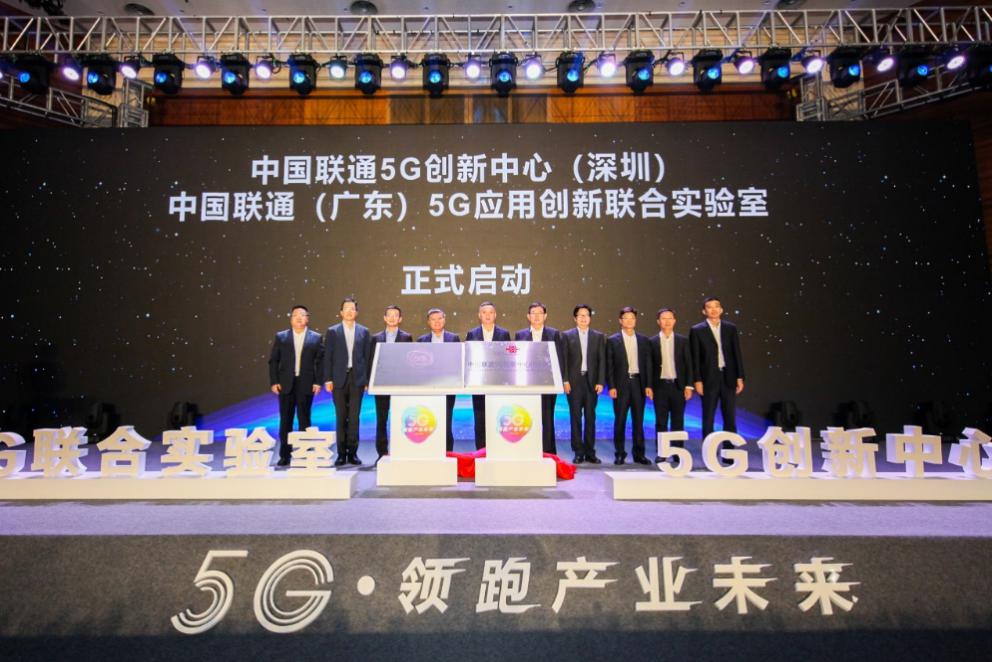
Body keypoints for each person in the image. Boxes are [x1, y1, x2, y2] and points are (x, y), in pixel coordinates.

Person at [268, 305, 324, 467]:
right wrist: (274, 381)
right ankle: (285, 455)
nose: (299, 318)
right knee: (286, 420)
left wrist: (318, 382)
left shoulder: (316, 338)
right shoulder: (281, 337)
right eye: (295, 315)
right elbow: (274, 361)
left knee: (304, 419)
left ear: (307, 318)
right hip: (286, 384)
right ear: (291, 318)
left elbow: (320, 362)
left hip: (306, 383)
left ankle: (305, 453)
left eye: (302, 315)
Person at [323, 297, 372, 466]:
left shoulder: (364, 332)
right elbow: (327, 357)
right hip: (338, 379)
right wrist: (328, 379)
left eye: (353, 308)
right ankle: (341, 453)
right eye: (346, 308)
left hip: (357, 379)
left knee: (354, 417)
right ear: (341, 312)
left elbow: (367, 358)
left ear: (356, 312)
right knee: (341, 416)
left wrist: (367, 380)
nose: (350, 311)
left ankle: (353, 453)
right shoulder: (333, 331)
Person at [689, 296, 745, 438]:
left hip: (728, 377)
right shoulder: (697, 330)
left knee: (729, 415)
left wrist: (740, 377)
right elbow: (695, 358)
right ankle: (708, 447)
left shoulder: (730, 328)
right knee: (708, 415)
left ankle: (729, 448)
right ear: (704, 311)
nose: (713, 310)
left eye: (716, 306)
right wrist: (697, 380)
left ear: (721, 309)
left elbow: (737, 353)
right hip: (708, 378)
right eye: (709, 307)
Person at [606, 306, 654, 465]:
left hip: (638, 383)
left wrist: (648, 385)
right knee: (620, 420)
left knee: (638, 421)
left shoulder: (644, 340)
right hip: (621, 385)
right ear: (620, 321)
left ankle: (639, 454)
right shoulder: (612, 340)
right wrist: (611, 386)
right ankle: (619, 453)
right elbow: (610, 365)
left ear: (635, 320)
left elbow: (648, 364)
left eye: (632, 318)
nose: (629, 321)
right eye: (626, 318)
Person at [514, 302, 563, 455]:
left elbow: (559, 358)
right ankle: (528, 450)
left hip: (548, 384)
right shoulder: (520, 335)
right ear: (528, 316)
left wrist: (560, 381)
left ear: (545, 316)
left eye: (540, 313)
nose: (536, 316)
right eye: (533, 313)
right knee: (528, 417)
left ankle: (549, 452)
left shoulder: (554, 334)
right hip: (527, 384)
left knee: (547, 418)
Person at [560, 304, 606, 464]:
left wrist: (601, 381)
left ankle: (590, 452)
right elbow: (564, 360)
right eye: (580, 315)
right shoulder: (567, 336)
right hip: (574, 382)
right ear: (575, 318)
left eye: (586, 315)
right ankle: (578, 452)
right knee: (576, 418)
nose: (583, 318)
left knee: (591, 417)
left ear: (590, 318)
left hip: (592, 382)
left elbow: (602, 361)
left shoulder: (598, 337)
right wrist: (565, 380)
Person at [649, 307, 694, 463]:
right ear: (658, 321)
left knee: (678, 420)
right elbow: (649, 366)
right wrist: (649, 386)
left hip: (678, 386)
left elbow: (689, 364)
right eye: (664, 318)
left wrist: (689, 386)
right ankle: (662, 452)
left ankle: (677, 452)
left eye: (670, 318)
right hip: (660, 387)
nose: (667, 321)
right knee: (661, 422)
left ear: (674, 321)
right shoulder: (652, 342)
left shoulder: (683, 341)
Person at [465, 300, 511, 449]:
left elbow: (509, 356)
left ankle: (497, 448)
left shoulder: (504, 334)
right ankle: (480, 450)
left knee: (497, 417)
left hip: (498, 383)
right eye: (484, 312)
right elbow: (468, 356)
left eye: (491, 312)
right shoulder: (472, 334)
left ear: (495, 315)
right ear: (479, 315)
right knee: (480, 418)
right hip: (478, 383)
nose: (487, 315)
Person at [369, 304, 413, 462]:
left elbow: (410, 362)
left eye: (396, 315)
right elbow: (370, 361)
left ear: (400, 319)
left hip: (400, 385)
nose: (393, 318)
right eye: (390, 315)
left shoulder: (406, 337)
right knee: (381, 420)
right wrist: (369, 381)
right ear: (385, 318)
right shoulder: (375, 338)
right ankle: (382, 453)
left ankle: (400, 451)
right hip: (381, 384)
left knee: (401, 418)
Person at [417, 308, 461, 451]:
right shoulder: (422, 340)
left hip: (448, 386)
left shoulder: (453, 338)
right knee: (430, 419)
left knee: (446, 419)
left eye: (439, 318)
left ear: (444, 320)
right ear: (428, 322)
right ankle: (431, 450)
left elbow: (458, 361)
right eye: (433, 319)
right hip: (428, 387)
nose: (437, 322)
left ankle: (448, 451)